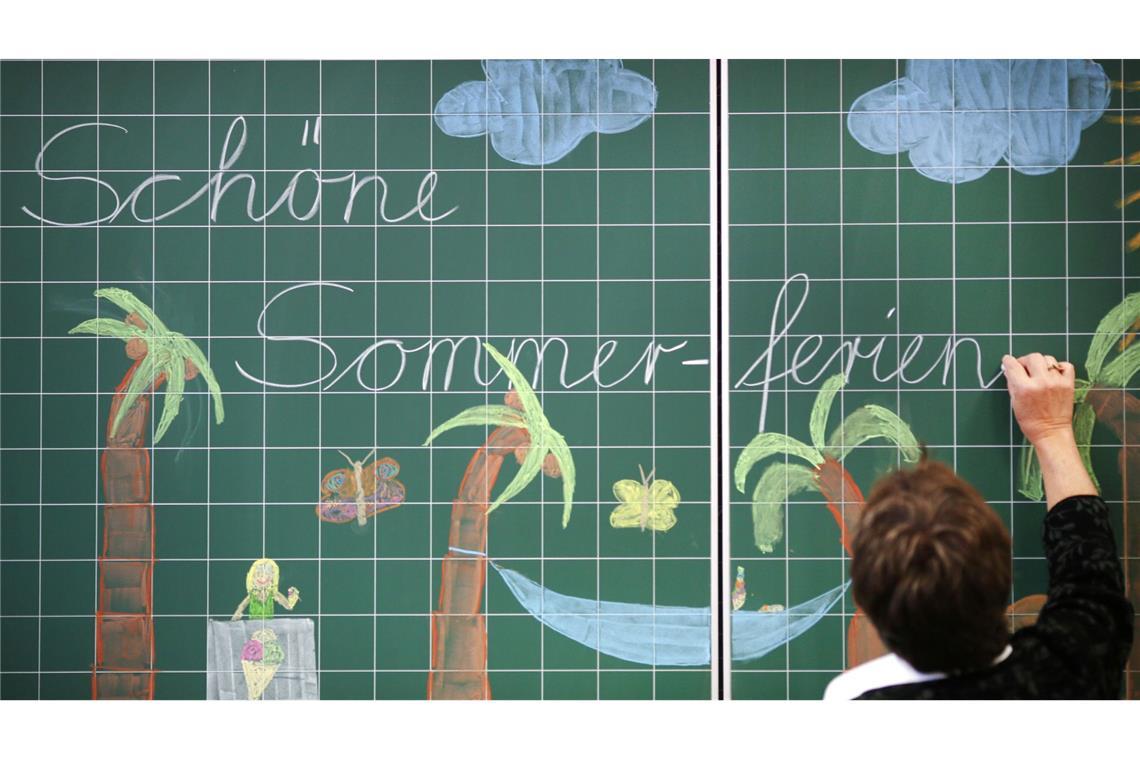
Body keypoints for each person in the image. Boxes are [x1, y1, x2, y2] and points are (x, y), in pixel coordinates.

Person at [824, 353, 1134, 699]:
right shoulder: (1067, 671)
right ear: (1003, 571)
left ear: (865, 596)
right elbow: (1089, 571)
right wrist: (1052, 431)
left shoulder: (853, 703)